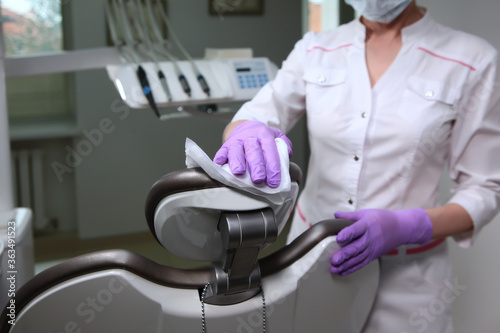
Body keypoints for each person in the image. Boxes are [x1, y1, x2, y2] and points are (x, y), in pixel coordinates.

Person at [213, 0, 500, 332]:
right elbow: (258, 112)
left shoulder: (472, 60)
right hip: (309, 261)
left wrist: (409, 226)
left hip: (408, 279)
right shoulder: (316, 48)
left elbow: (486, 188)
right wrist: (245, 129)